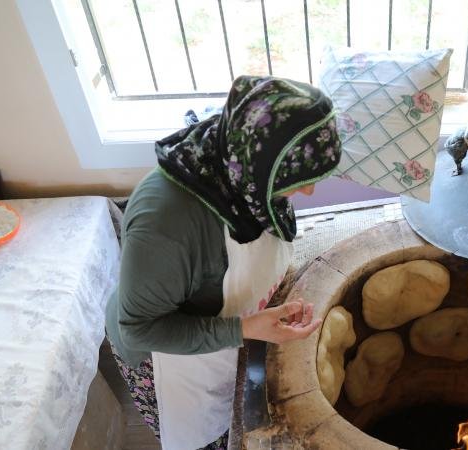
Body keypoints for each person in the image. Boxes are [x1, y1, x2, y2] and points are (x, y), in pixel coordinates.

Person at [105, 75, 342, 450]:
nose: (309, 191)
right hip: (168, 362)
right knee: (206, 438)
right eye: (299, 180)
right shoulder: (166, 226)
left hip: (227, 334)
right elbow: (139, 328)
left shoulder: (248, 170)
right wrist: (243, 328)